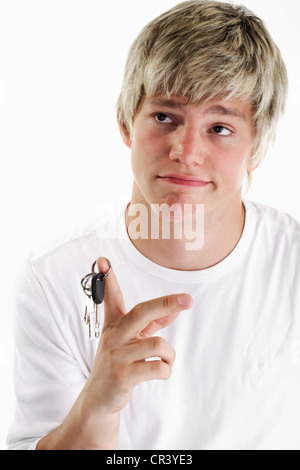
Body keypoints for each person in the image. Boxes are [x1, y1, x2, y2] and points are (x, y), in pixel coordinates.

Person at [7, 0, 300, 450]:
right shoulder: (54, 275)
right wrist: (98, 405)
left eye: (219, 127)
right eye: (165, 117)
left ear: (257, 147)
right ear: (127, 122)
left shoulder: (291, 264)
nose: (186, 150)